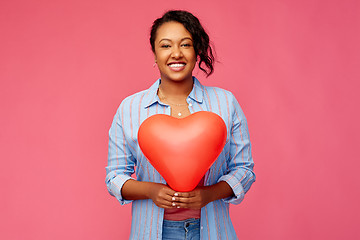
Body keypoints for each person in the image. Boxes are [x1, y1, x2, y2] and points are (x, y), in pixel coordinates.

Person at [106, 10, 255, 240]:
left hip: (212, 232)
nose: (176, 53)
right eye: (166, 46)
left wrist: (209, 194)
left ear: (197, 52)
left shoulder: (226, 103)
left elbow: (244, 170)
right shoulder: (129, 108)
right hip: (152, 233)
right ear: (154, 54)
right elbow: (114, 177)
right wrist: (151, 191)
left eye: (185, 44)